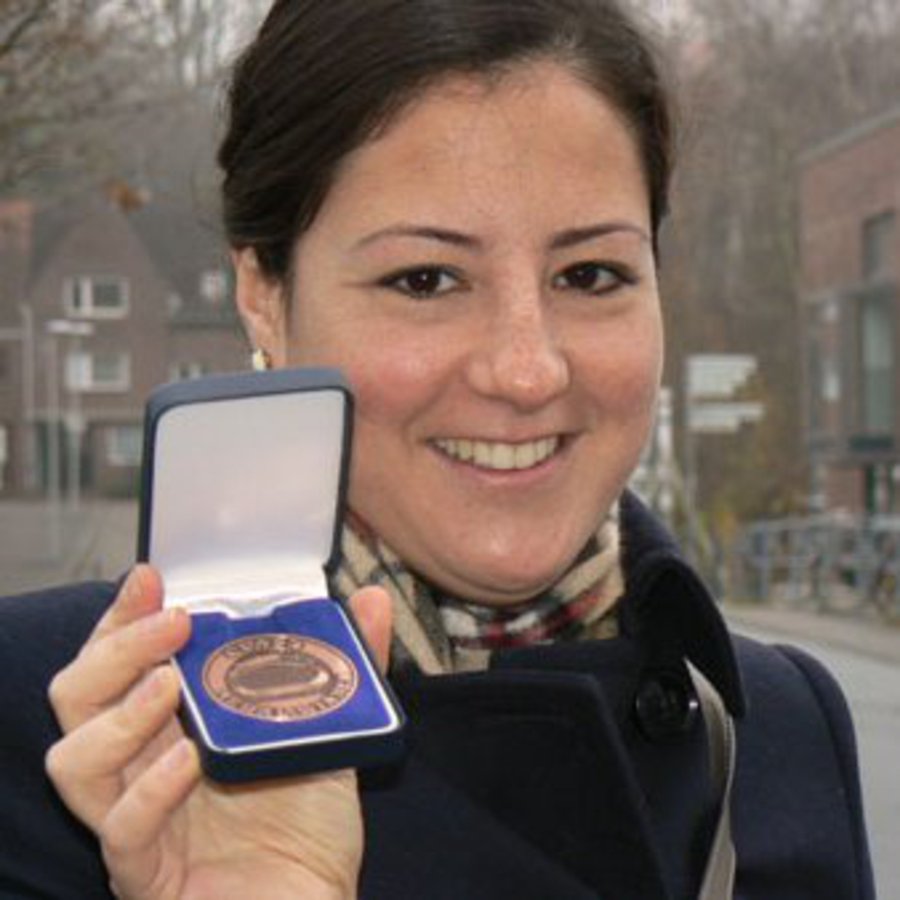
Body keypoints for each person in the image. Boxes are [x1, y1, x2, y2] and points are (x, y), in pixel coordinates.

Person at [0, 0, 875, 897]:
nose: (527, 370)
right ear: (263, 292)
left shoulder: (780, 728)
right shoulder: (64, 739)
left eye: (590, 274)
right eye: (425, 280)